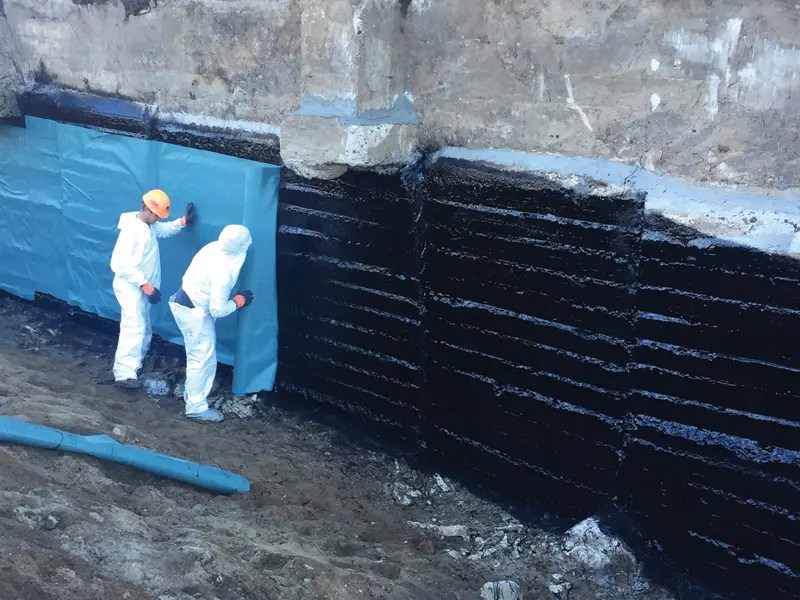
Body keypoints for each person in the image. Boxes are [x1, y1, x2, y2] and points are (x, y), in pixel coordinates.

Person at [110, 189, 195, 388]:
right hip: (131, 287)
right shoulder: (132, 232)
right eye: (157, 215)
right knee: (134, 327)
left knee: (143, 327)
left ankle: (135, 364)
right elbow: (120, 264)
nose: (158, 219)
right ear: (147, 208)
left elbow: (161, 231)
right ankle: (124, 374)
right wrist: (145, 285)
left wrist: (181, 223)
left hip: (140, 288)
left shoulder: (146, 224)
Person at [169, 225, 254, 423]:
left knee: (200, 357)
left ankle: (192, 397)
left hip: (186, 301)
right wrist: (237, 302)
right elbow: (217, 309)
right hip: (194, 313)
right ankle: (196, 408)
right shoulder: (223, 272)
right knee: (202, 359)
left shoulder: (212, 248)